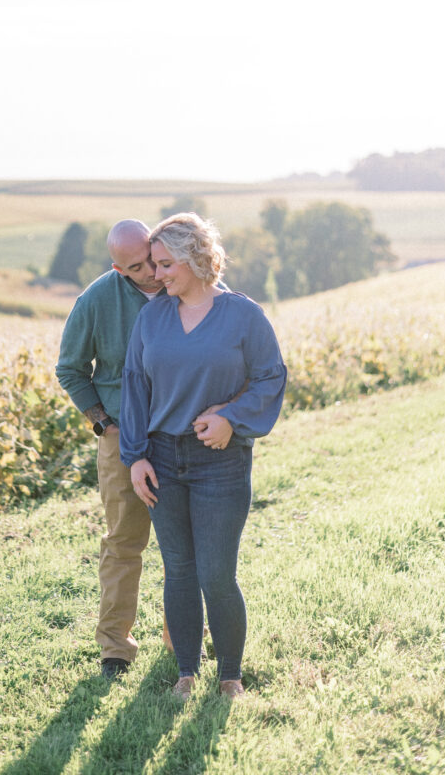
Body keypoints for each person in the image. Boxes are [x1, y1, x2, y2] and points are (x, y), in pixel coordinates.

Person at [119, 212, 287, 701]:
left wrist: (231, 417)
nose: (157, 274)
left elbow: (271, 377)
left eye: (166, 264)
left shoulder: (244, 316)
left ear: (195, 258)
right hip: (162, 461)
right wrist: (136, 457)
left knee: (216, 572)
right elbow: (134, 388)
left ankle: (230, 676)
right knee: (179, 570)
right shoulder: (152, 316)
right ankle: (186, 673)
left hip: (222, 462)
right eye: (152, 264)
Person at [55, 218, 170, 680]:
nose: (152, 274)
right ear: (120, 268)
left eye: (153, 259)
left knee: (182, 546)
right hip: (121, 436)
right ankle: (115, 650)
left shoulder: (179, 282)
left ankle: (181, 639)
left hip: (177, 434)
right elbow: (70, 369)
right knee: (124, 542)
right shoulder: (97, 299)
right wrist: (102, 423)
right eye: (138, 267)